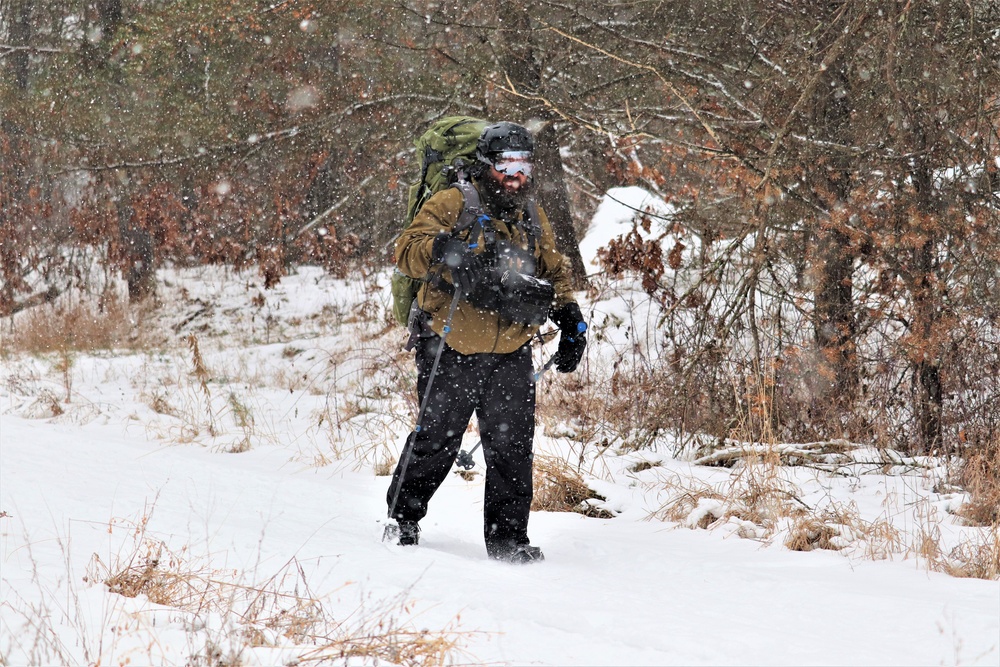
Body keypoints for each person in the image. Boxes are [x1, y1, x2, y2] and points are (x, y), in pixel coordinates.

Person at [386, 121, 587, 563]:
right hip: (449, 343)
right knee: (437, 437)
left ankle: (508, 540)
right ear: (486, 163)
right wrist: (446, 250)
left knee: (513, 446)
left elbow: (553, 266)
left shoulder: (531, 213)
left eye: (524, 164)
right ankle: (401, 519)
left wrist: (570, 315)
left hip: (511, 349)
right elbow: (407, 249)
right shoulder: (454, 201)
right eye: (506, 164)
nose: (516, 174)